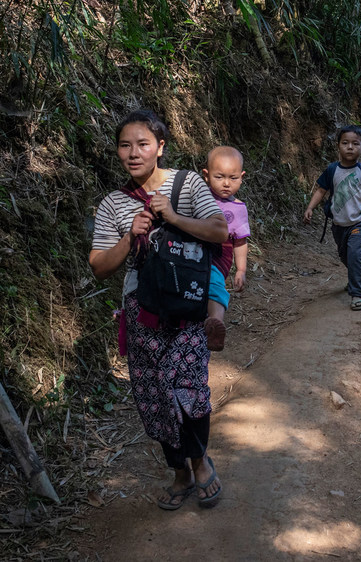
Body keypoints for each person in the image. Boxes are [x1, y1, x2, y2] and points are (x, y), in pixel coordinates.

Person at [88, 110, 228, 511]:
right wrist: (129, 237)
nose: (134, 153)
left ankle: (200, 462)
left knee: (189, 392)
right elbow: (98, 266)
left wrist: (174, 217)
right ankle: (179, 472)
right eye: (125, 145)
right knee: (153, 399)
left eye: (143, 144)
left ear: (160, 147)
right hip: (142, 312)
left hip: (187, 309)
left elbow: (220, 231)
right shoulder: (114, 204)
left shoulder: (187, 185)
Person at [303, 125, 361, 310]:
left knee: (354, 254)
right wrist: (310, 208)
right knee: (344, 255)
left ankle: (357, 293)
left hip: (359, 221)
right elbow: (321, 190)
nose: (349, 147)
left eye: (355, 144)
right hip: (338, 223)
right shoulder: (332, 170)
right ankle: (356, 274)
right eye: (345, 143)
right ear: (338, 146)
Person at [201, 146, 250, 351]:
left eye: (233, 178)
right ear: (206, 175)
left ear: (242, 177)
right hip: (194, 247)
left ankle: (216, 321)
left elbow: (240, 241)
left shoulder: (238, 209)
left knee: (214, 283)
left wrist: (241, 270)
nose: (226, 183)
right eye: (219, 177)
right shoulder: (198, 197)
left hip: (220, 254)